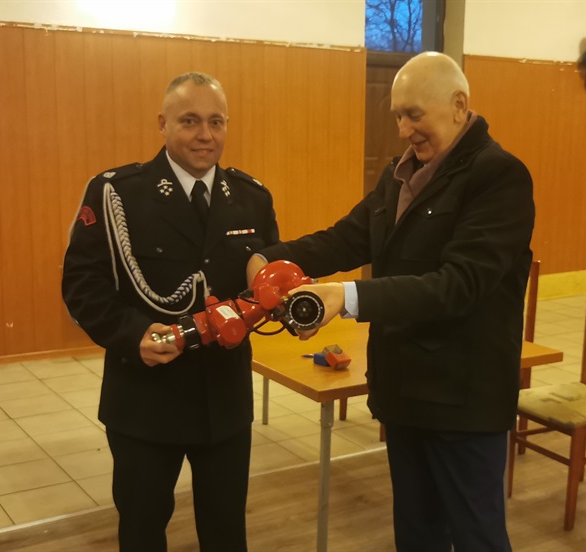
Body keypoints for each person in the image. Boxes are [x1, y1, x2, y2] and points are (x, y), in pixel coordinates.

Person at [249, 51, 534, 551]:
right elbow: (346, 239)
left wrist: (344, 297)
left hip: (463, 402)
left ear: (459, 105)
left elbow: (458, 284)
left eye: (414, 114)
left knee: (477, 538)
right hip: (405, 392)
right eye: (398, 116)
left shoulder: (498, 176)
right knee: (417, 533)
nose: (403, 130)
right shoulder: (399, 175)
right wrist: (267, 257)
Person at [62, 72, 278, 552]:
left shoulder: (251, 198)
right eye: (190, 121)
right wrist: (132, 334)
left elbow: (262, 284)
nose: (205, 135)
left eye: (216, 122)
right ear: (162, 124)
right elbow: (82, 286)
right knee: (142, 531)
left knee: (227, 533)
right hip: (146, 400)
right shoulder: (117, 193)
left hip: (223, 401)